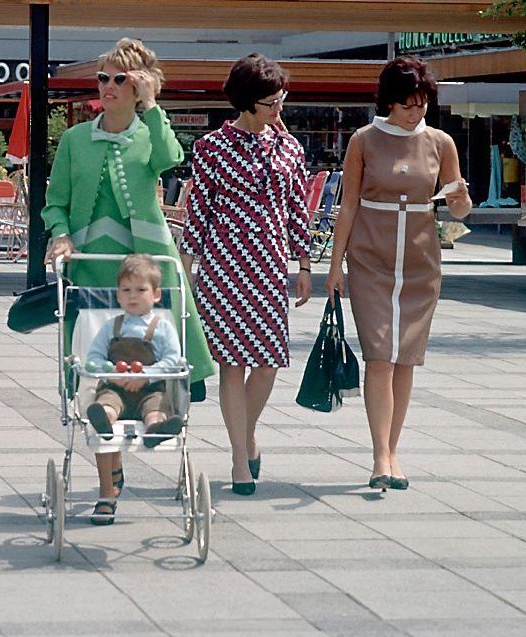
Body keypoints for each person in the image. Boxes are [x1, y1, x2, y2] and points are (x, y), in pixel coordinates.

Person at [43, 38, 215, 525]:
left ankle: (158, 421)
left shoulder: (149, 132)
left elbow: (168, 158)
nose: (109, 87)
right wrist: (60, 237)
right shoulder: (76, 139)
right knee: (97, 375)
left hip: (146, 273)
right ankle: (107, 482)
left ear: (140, 87)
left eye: (121, 79)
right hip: (92, 270)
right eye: (103, 78)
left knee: (153, 364)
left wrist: (153, 105)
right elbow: (56, 202)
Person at [325, 56, 471, 490]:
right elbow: (348, 203)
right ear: (389, 102)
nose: (416, 111)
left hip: (420, 260)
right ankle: (378, 457)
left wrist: (461, 197)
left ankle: (394, 451)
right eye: (408, 104)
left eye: (422, 103)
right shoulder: (364, 140)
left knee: (404, 357)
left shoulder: (441, 142)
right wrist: (334, 266)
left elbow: (459, 208)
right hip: (371, 257)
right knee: (379, 356)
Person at [181, 54, 312, 496]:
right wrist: (187, 266)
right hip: (224, 265)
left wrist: (305, 264)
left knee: (268, 365)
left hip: (271, 267)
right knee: (231, 365)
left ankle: (246, 434)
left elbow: (298, 210)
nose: (279, 109)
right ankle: (240, 458)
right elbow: (198, 211)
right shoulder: (211, 148)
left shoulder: (290, 148)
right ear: (246, 103)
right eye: (271, 102)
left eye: (281, 99)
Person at [85, 254, 185, 457]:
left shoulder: (162, 328)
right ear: (118, 296)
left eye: (140, 290)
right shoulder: (111, 327)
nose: (133, 296)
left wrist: (147, 375)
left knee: (156, 407)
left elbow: (173, 360)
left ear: (156, 294)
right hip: (115, 386)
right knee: (108, 401)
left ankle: (155, 429)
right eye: (126, 290)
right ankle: (104, 421)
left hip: (150, 389)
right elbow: (93, 360)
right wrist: (111, 372)